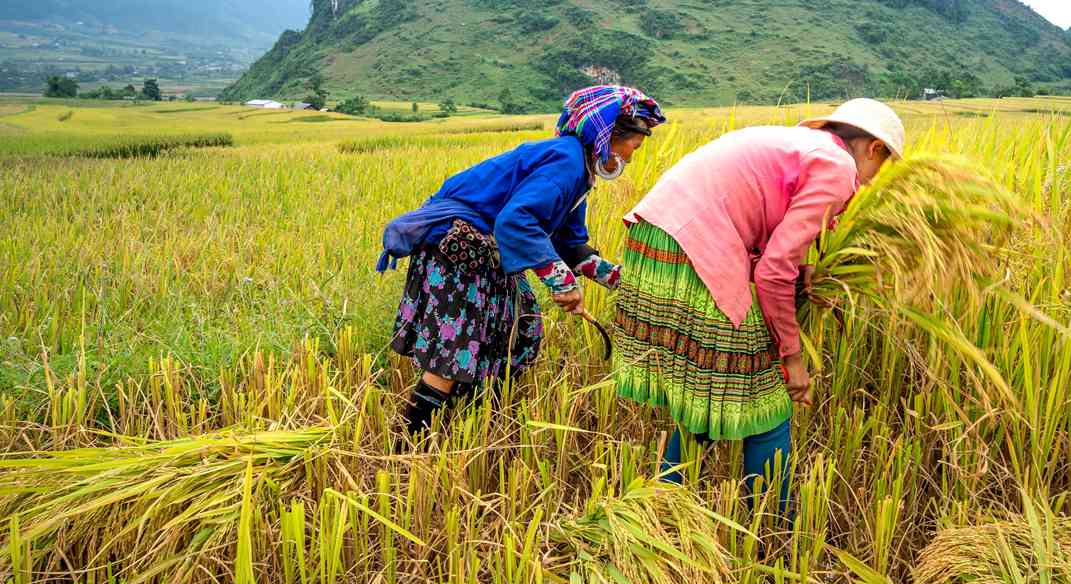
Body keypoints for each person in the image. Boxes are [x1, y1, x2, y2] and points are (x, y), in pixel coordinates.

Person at [611, 98, 904, 514]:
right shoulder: (838, 168)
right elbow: (771, 272)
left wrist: (802, 270)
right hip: (693, 249)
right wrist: (793, 356)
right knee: (764, 395)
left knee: (711, 391)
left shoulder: (806, 145)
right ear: (875, 149)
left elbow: (767, 227)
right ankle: (773, 525)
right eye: (884, 168)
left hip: (661, 241)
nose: (875, 182)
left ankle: (656, 512)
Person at [378, 85, 665, 439]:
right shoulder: (566, 161)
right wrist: (560, 281)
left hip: (485, 250)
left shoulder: (580, 173)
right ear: (608, 136)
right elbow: (516, 221)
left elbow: (569, 242)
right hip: (459, 248)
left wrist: (620, 280)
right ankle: (410, 438)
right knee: (457, 348)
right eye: (633, 147)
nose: (631, 158)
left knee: (522, 327)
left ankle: (466, 418)